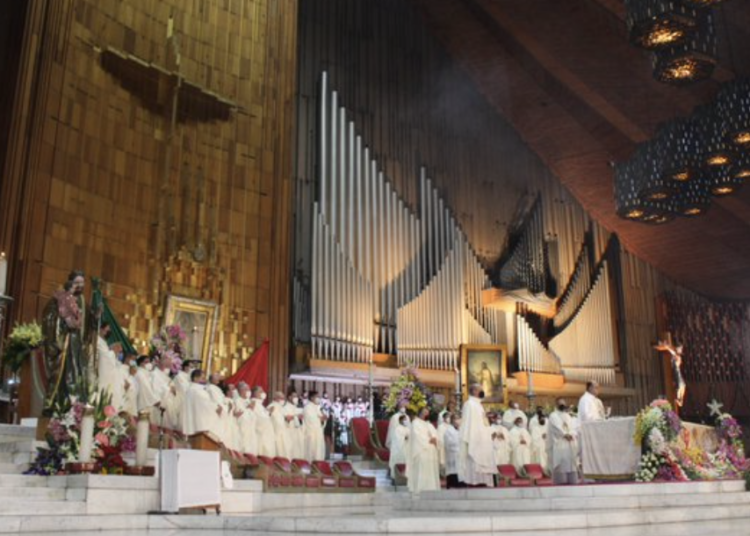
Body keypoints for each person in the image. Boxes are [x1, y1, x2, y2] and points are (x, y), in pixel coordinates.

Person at [41, 271, 99, 408]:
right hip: (66, 343)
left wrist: (96, 317)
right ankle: (60, 403)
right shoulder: (60, 298)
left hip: (79, 345)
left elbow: (89, 323)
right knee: (65, 373)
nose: (79, 286)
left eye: (81, 283)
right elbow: (49, 316)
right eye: (76, 282)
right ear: (70, 283)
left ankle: (77, 405)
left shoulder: (84, 302)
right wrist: (62, 326)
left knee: (79, 373)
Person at [458, 384, 496, 487]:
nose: (482, 391)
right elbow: (468, 423)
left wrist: (489, 432)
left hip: (483, 438)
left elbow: (483, 421)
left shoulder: (479, 405)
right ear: (474, 391)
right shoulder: (469, 404)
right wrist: (475, 436)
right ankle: (474, 482)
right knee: (475, 459)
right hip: (475, 437)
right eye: (480, 390)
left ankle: (483, 482)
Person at [406, 407, 441, 493]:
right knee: (422, 468)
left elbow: (435, 434)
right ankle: (420, 489)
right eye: (424, 411)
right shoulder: (415, 423)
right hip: (421, 450)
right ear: (420, 412)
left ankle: (432, 489)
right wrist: (428, 441)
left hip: (431, 450)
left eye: (427, 411)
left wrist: (435, 439)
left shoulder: (429, 424)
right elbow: (417, 436)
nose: (426, 412)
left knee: (430, 472)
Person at [95, 322, 127, 412]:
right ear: (101, 329)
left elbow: (109, 355)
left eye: (109, 330)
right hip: (102, 370)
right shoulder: (97, 339)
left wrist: (113, 352)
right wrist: (113, 351)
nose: (108, 331)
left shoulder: (104, 341)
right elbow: (104, 356)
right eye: (107, 329)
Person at [548, 398, 579, 485]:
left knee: (570, 463)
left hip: (569, 443)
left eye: (563, 404)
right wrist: (565, 434)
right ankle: (560, 482)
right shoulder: (553, 415)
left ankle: (571, 481)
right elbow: (556, 427)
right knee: (561, 464)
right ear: (556, 405)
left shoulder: (568, 416)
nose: (562, 405)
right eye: (560, 404)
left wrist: (571, 434)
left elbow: (573, 427)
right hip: (559, 443)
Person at [182, 369, 219, 436]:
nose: (204, 380)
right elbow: (204, 404)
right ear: (195, 378)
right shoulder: (194, 390)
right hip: (201, 423)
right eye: (202, 378)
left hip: (202, 421)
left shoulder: (199, 389)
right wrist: (216, 407)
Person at [654, 340, 687, 408]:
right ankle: (678, 399)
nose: (681, 350)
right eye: (680, 348)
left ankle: (679, 399)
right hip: (676, 372)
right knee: (680, 385)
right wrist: (665, 346)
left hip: (677, 371)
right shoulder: (674, 353)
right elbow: (669, 349)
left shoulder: (676, 355)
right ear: (677, 348)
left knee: (683, 385)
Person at [250, 386, 276, 457]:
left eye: (263, 391)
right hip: (261, 433)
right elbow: (258, 418)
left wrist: (269, 412)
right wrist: (268, 413)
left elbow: (264, 415)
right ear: (255, 393)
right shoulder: (253, 403)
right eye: (260, 391)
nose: (263, 393)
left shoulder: (260, 404)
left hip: (267, 434)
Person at [267, 391, 293, 458]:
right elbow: (275, 420)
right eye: (281, 398)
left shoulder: (281, 407)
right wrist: (285, 419)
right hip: (276, 433)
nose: (282, 400)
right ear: (275, 398)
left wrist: (287, 419)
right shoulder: (272, 406)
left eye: (283, 398)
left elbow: (283, 418)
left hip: (283, 433)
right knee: (278, 451)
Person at [303, 391, 327, 461]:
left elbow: (321, 418)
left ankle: (318, 466)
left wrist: (323, 419)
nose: (318, 398)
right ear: (311, 398)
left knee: (319, 451)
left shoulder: (317, 408)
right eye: (317, 397)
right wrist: (320, 419)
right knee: (311, 451)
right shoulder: (308, 407)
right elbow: (310, 419)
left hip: (318, 432)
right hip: (311, 433)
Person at [236, 382, 258, 454]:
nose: (249, 391)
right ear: (241, 391)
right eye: (246, 389)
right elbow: (238, 412)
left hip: (250, 425)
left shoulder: (249, 400)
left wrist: (251, 408)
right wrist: (248, 407)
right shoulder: (237, 400)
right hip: (242, 426)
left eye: (249, 389)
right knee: (244, 443)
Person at [443, 414, 462, 488]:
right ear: (452, 420)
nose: (458, 421)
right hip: (453, 454)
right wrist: (459, 441)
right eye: (456, 419)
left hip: (460, 454)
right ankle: (452, 484)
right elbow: (449, 443)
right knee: (453, 472)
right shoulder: (448, 430)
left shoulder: (461, 430)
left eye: (459, 418)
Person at [284, 392, 304, 460]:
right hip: (289, 432)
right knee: (290, 451)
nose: (296, 398)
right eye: (294, 396)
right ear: (289, 397)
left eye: (296, 396)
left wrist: (300, 418)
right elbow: (286, 419)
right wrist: (296, 417)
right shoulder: (286, 407)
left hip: (297, 431)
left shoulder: (296, 408)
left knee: (298, 451)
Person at [389, 414, 410, 478]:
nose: (406, 421)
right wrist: (404, 438)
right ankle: (397, 475)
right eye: (404, 420)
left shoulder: (408, 429)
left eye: (406, 420)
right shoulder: (397, 429)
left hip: (408, 448)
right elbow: (397, 439)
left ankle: (407, 475)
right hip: (399, 449)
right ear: (400, 421)